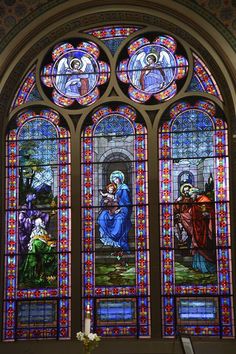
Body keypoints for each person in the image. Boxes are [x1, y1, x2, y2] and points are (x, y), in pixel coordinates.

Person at [97, 170, 132, 254]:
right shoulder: (115, 189)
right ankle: (108, 239)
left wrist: (120, 209)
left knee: (120, 220)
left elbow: (126, 202)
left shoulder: (124, 188)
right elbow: (107, 199)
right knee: (103, 215)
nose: (115, 180)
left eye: (117, 178)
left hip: (122, 210)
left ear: (120, 179)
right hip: (112, 210)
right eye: (114, 179)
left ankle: (118, 241)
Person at [20, 217, 57, 286]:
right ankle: (39, 277)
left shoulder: (39, 232)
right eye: (41, 222)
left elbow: (45, 239)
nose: (43, 223)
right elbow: (45, 242)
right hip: (36, 253)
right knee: (39, 262)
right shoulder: (38, 233)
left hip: (36, 254)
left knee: (38, 263)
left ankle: (39, 276)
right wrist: (49, 245)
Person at [188, 187, 216, 274]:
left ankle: (207, 267)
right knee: (198, 245)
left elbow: (210, 211)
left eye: (192, 195)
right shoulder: (196, 201)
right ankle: (198, 266)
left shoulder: (204, 199)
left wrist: (206, 213)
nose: (191, 197)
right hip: (198, 227)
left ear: (196, 193)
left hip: (204, 228)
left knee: (204, 244)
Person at [174, 183, 193, 249]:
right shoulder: (181, 199)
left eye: (187, 190)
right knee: (178, 228)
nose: (185, 192)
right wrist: (177, 202)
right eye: (184, 191)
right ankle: (181, 242)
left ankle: (188, 244)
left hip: (190, 218)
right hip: (182, 218)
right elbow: (176, 208)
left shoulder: (192, 199)